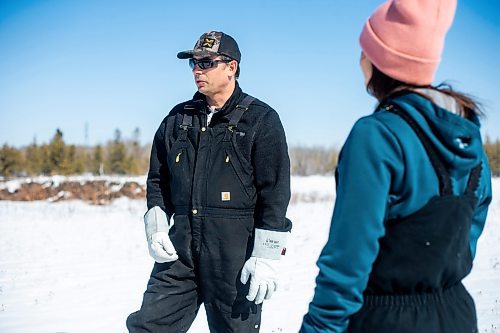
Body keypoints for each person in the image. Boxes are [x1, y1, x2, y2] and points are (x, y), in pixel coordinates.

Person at [299, 0, 492, 332]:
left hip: (386, 319)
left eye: (365, 50)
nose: (360, 60)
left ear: (381, 58)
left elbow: (349, 256)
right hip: (456, 313)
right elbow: (470, 231)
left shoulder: (376, 135)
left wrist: (320, 327)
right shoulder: (467, 134)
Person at [126, 31, 292, 333]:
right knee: (148, 326)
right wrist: (156, 226)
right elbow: (157, 180)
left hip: (235, 257)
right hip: (181, 253)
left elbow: (275, 193)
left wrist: (266, 256)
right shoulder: (177, 120)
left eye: (206, 62)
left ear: (232, 67)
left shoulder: (261, 120)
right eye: (193, 63)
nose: (197, 70)